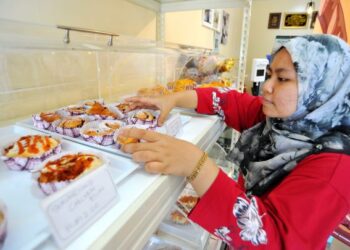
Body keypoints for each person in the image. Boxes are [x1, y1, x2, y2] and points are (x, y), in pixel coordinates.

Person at [120, 34, 350, 249]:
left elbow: (273, 240)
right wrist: (173, 98)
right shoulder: (279, 120)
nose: (266, 86)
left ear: (322, 88)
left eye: (282, 78)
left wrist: (196, 165)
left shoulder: (335, 169)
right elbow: (227, 100)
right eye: (269, 75)